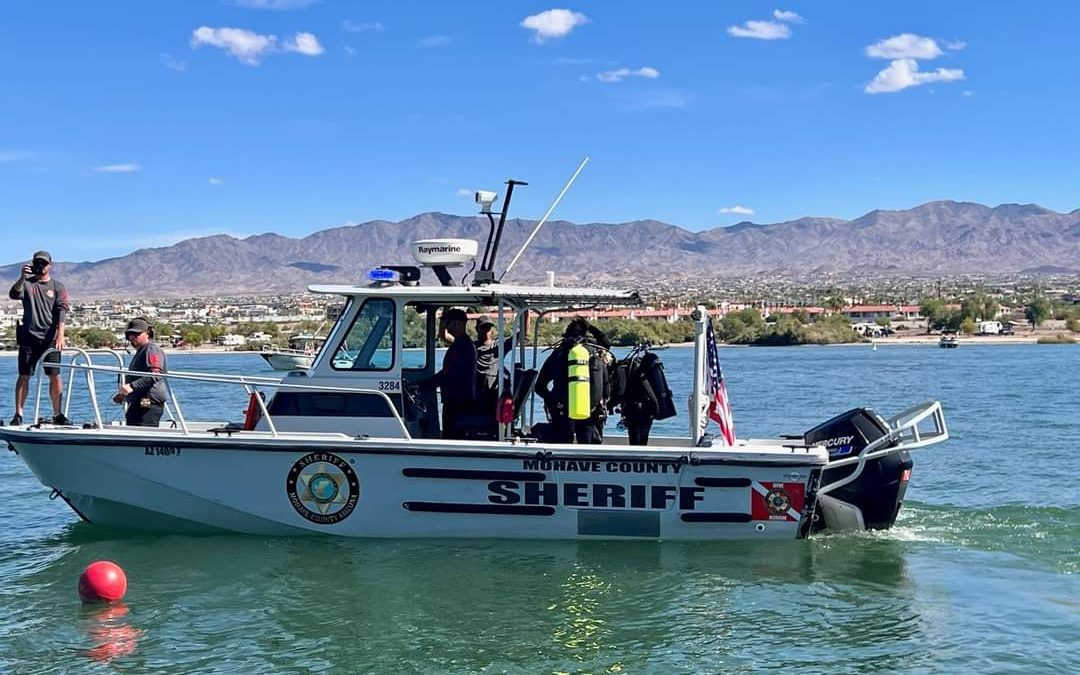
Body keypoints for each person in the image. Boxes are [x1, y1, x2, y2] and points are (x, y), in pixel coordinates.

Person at [9, 250, 70, 426]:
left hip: (50, 338)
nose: (41, 266)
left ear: (50, 265)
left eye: (44, 263)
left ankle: (57, 413)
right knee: (24, 374)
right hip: (28, 336)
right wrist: (22, 277)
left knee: (55, 375)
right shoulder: (27, 284)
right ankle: (18, 413)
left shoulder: (58, 286)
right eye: (38, 263)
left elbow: (62, 310)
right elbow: (13, 294)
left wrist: (61, 334)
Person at [535, 317, 610, 444]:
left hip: (562, 410)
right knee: (588, 448)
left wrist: (554, 402)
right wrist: (590, 326)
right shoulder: (595, 352)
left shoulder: (559, 354)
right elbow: (607, 343)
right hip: (590, 411)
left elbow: (539, 386)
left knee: (563, 446)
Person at [426, 308, 476, 439]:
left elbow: (449, 373)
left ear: (458, 324)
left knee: (451, 436)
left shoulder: (462, 346)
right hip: (456, 399)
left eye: (448, 323)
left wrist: (425, 384)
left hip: (458, 401)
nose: (446, 326)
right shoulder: (460, 343)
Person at [112, 318, 169, 427]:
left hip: (147, 401)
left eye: (136, 334)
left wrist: (131, 386)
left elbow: (155, 374)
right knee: (134, 419)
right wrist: (123, 395)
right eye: (129, 334)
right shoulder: (142, 351)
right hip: (139, 401)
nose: (132, 337)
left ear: (147, 333)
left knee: (142, 424)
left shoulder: (151, 349)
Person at [473, 318, 517, 412]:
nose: (486, 331)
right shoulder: (471, 347)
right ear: (477, 329)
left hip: (493, 392)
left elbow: (521, 335)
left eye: (488, 328)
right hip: (476, 391)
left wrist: (526, 313)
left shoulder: (498, 346)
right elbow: (446, 337)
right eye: (483, 328)